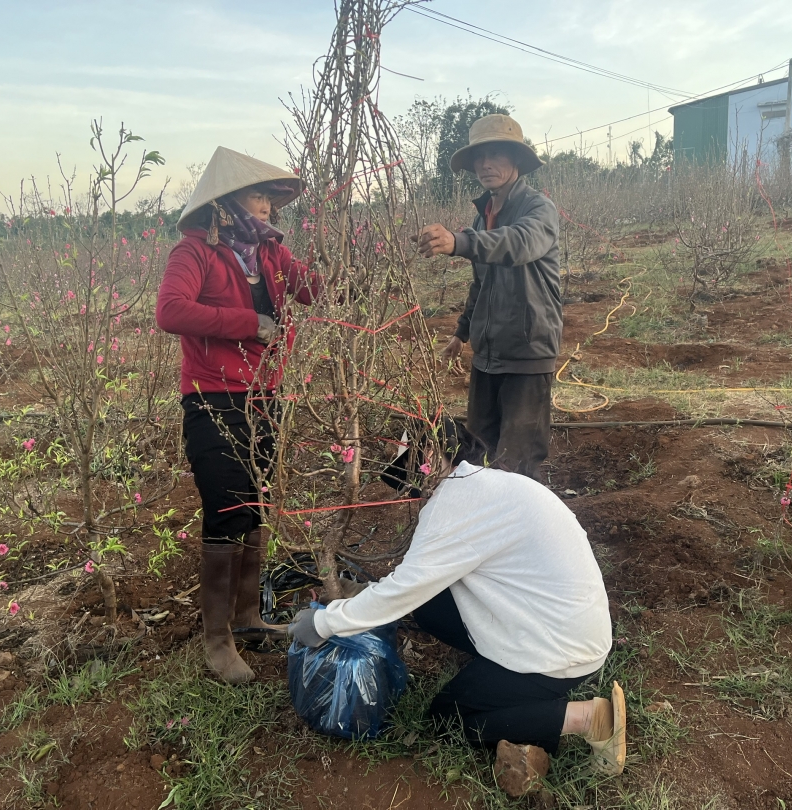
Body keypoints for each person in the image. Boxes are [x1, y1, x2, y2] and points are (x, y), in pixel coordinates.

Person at [289, 419, 625, 774]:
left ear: (431, 455)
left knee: (448, 719)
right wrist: (364, 598)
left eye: (407, 466)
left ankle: (589, 717)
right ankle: (508, 674)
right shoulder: (481, 485)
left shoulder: (455, 504)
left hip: (561, 653)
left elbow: (406, 587)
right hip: (561, 624)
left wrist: (325, 622)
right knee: (430, 607)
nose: (411, 490)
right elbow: (420, 582)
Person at [157, 146, 321, 685]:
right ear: (227, 203)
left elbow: (312, 290)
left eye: (272, 198)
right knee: (226, 509)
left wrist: (351, 265)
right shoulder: (194, 252)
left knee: (255, 504)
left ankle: (248, 618)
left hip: (264, 395)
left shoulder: (270, 253)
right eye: (258, 196)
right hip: (212, 397)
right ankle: (217, 640)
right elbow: (171, 311)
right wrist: (248, 322)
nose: (269, 207)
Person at [416, 114, 562, 480]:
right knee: (479, 451)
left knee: (518, 461)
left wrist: (460, 241)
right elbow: (481, 283)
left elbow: (519, 243)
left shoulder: (538, 209)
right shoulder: (485, 216)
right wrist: (462, 333)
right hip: (488, 356)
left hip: (527, 352)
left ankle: (524, 531)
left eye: (496, 154)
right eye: (479, 157)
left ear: (516, 159)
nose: (485, 164)